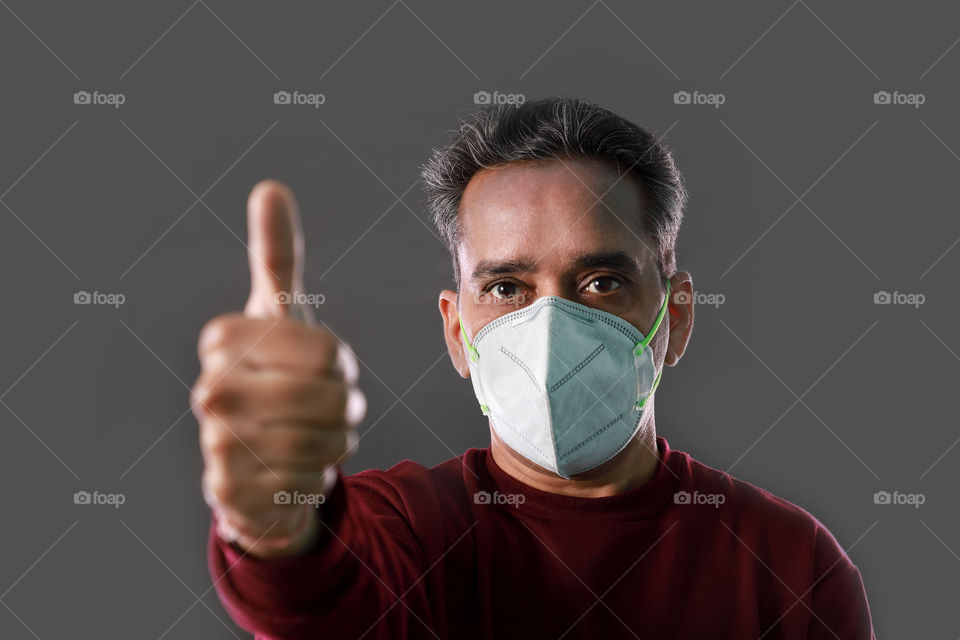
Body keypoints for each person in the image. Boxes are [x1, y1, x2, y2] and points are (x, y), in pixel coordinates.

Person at [193, 97, 875, 639]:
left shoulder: (788, 565)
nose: (552, 329)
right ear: (458, 332)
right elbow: (318, 596)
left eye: (602, 282)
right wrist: (277, 520)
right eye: (507, 289)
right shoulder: (402, 533)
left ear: (676, 316)